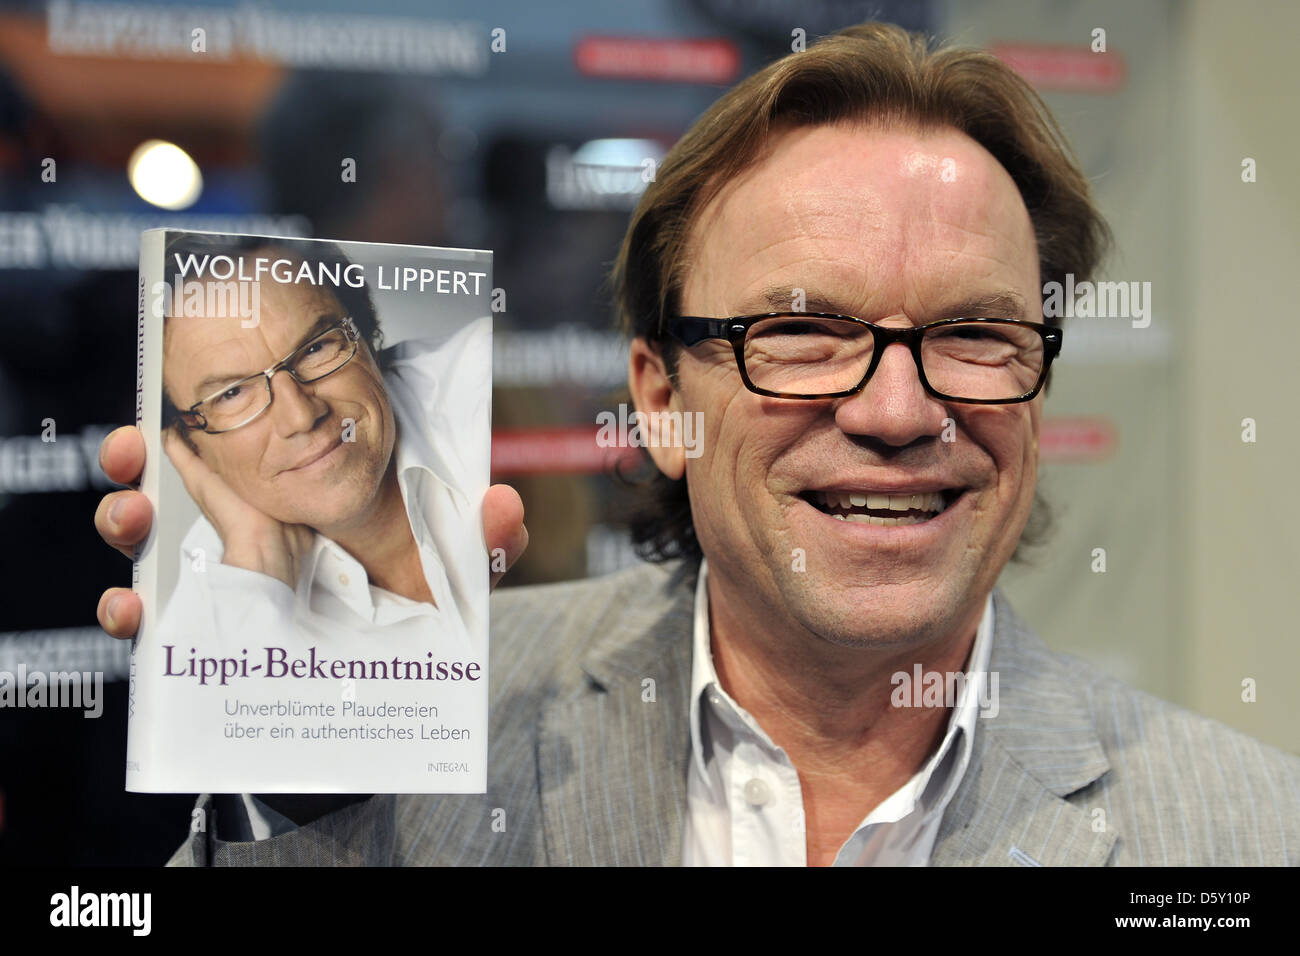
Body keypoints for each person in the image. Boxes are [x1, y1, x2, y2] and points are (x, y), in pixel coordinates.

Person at [96, 23, 1298, 865]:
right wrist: (296, 745)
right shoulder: (424, 724)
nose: (893, 412)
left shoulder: (1244, 827)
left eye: (976, 332)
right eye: (801, 331)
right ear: (660, 400)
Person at [155, 233, 491, 655]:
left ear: (369, 339)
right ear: (190, 446)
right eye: (233, 394)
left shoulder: (487, 387)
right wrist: (258, 561)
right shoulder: (219, 603)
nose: (300, 416)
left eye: (315, 348)